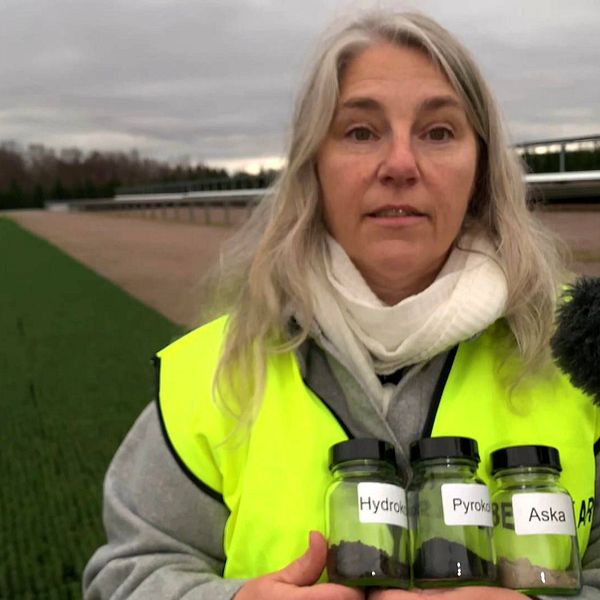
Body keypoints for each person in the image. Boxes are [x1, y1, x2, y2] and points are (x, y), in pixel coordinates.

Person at [83, 9, 600, 600]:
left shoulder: (583, 349)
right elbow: (128, 573)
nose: (401, 165)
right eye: (360, 132)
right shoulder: (212, 375)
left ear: (481, 168)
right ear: (313, 166)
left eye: (438, 132)